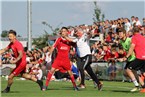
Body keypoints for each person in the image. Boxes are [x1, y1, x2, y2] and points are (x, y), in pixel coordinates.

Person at [42, 27, 78, 91]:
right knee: (51, 70)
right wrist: (50, 53)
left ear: (67, 32)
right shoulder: (58, 39)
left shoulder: (69, 40)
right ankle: (46, 86)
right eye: (62, 31)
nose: (63, 32)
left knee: (70, 72)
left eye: (64, 31)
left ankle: (75, 86)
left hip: (66, 60)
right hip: (58, 59)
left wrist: (67, 38)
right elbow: (53, 46)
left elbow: (75, 43)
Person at [125, 27, 145, 93]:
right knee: (141, 72)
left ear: (133, 31)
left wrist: (126, 56)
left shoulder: (134, 38)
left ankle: (136, 85)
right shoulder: (143, 37)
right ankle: (143, 85)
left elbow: (131, 48)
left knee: (128, 70)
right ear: (139, 31)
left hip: (140, 58)